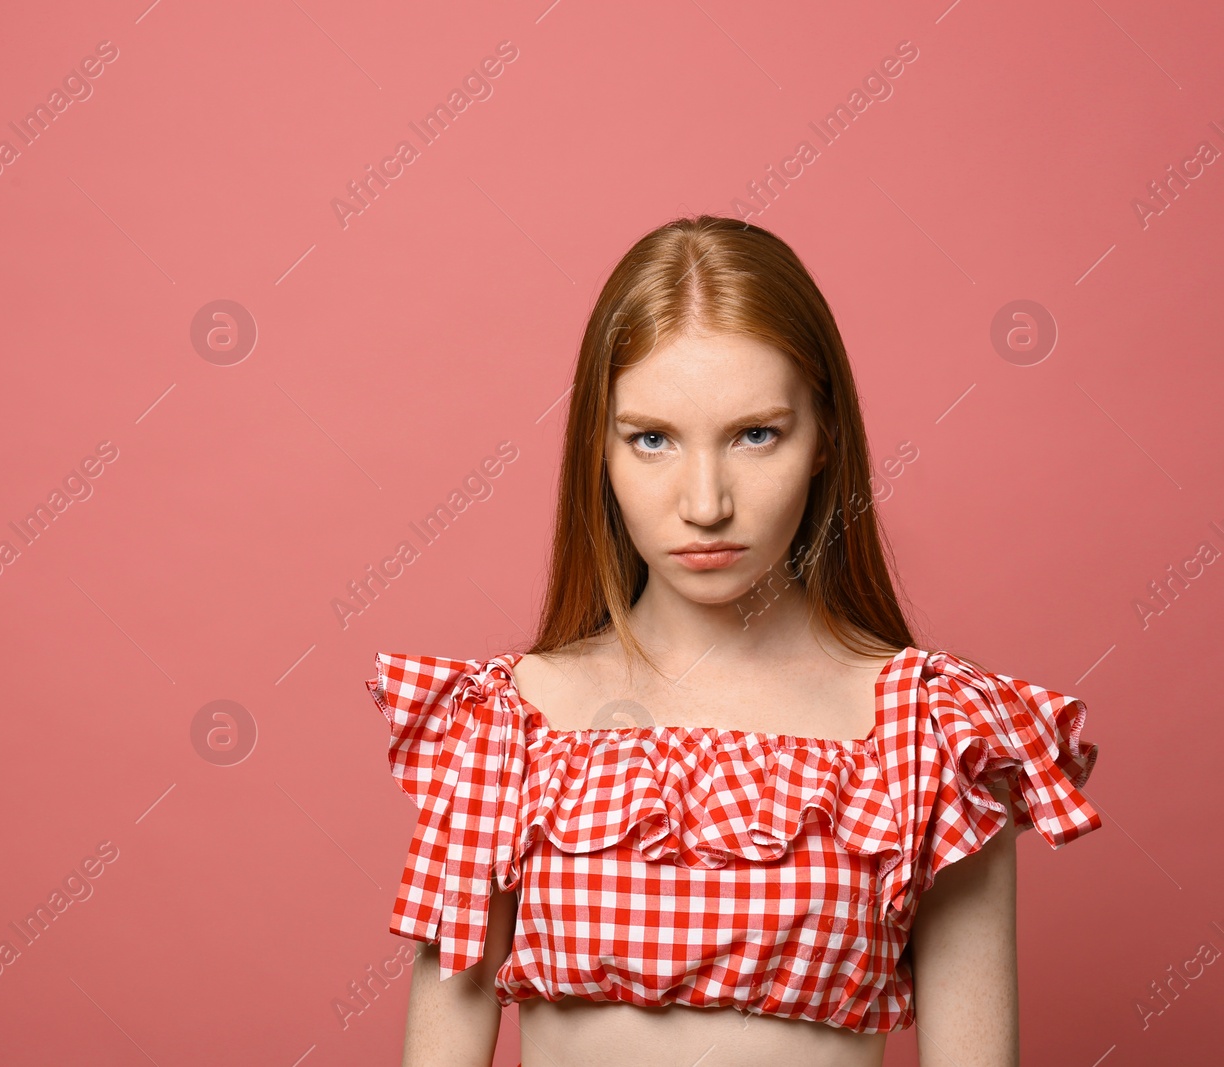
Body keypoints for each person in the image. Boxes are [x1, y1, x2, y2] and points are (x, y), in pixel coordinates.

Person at [363, 215, 1103, 1066]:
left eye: (756, 434)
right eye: (652, 439)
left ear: (826, 435)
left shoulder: (934, 735)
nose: (706, 501)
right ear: (595, 451)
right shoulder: (504, 725)